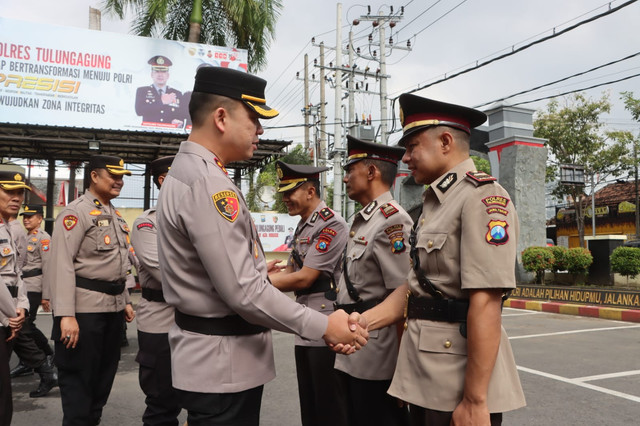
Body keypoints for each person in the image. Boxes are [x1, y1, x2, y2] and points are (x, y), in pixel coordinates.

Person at [156, 66, 367, 426]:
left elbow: (232, 279)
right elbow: (244, 293)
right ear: (221, 117)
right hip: (223, 365)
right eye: (254, 118)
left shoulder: (193, 173)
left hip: (217, 361)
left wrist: (257, 274)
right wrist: (324, 326)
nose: (260, 130)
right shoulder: (209, 183)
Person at [356, 94, 526, 426]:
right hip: (425, 373)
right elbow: (416, 287)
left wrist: (475, 401)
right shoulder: (435, 203)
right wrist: (365, 323)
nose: (405, 158)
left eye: (412, 146)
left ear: (445, 141)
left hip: (456, 381)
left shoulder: (483, 197)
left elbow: (487, 301)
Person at [48, 155, 136, 425]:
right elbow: (60, 264)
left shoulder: (114, 214)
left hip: (112, 310)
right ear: (94, 176)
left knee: (102, 380)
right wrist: (66, 315)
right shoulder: (76, 213)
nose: (119, 181)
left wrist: (127, 300)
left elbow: (118, 264)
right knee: (79, 384)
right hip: (84, 313)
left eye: (122, 177)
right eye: (113, 175)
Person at [333, 135, 412, 426]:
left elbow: (405, 297)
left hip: (377, 358)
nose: (345, 179)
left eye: (350, 170)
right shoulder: (365, 219)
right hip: (354, 349)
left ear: (371, 172)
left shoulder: (393, 221)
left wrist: (404, 371)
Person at [269, 161, 349, 426]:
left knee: (328, 407)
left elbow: (304, 278)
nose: (285, 199)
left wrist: (259, 282)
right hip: (305, 324)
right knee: (310, 405)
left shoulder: (331, 225)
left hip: (326, 323)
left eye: (290, 192)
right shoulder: (303, 225)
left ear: (310, 192)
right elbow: (292, 269)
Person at [131, 155, 182, 426]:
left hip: (193, 320)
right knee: (162, 404)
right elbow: (164, 274)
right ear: (164, 180)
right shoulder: (147, 223)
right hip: (160, 322)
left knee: (198, 399)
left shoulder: (192, 218)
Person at [0, 169, 57, 399]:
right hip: (9, 305)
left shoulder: (39, 237)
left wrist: (43, 296)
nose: (16, 198)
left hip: (23, 294)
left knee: (26, 329)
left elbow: (18, 271)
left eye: (20, 193)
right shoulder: (10, 228)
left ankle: (44, 365)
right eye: (9, 191)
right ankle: (44, 368)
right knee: (25, 330)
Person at [10, 204, 54, 379]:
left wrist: (46, 295)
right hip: (22, 285)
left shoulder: (44, 239)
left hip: (35, 286)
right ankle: (44, 355)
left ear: (40, 218)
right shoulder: (23, 236)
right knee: (27, 325)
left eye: (31, 216)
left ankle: (42, 357)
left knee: (25, 326)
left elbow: (49, 268)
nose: (26, 219)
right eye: (24, 216)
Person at [135, 55, 184, 127]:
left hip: (169, 134)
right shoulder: (142, 91)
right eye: (157, 71)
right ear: (152, 74)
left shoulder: (177, 93)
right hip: (148, 133)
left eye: (163, 72)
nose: (160, 75)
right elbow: (139, 111)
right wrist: (161, 102)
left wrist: (179, 121)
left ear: (168, 75)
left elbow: (181, 114)